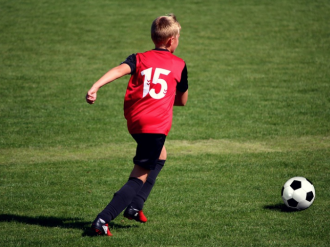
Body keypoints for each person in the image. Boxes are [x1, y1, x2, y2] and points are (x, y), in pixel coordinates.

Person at [86, 14, 188, 236]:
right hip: (155, 126)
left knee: (160, 156)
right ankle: (102, 220)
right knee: (139, 176)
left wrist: (96, 86)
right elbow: (182, 101)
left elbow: (118, 70)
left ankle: (135, 206)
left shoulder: (139, 58)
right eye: (178, 36)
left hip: (135, 122)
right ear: (172, 40)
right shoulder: (179, 64)